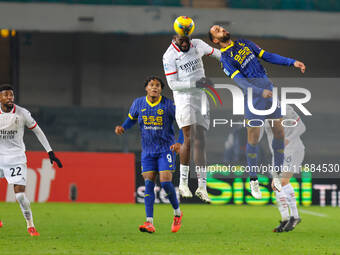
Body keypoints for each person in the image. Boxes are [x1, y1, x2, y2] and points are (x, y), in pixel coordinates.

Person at [208, 25, 306, 199]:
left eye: (221, 27)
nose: (221, 29)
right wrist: (260, 92)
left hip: (268, 91)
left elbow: (267, 56)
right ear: (215, 40)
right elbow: (241, 82)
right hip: (253, 98)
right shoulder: (225, 58)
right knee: (252, 139)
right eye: (217, 30)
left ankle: (276, 175)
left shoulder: (245, 43)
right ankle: (253, 180)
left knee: (279, 133)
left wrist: (292, 62)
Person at [115, 76, 183, 233]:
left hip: (166, 149)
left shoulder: (168, 105)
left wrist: (179, 142)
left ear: (161, 89)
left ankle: (177, 213)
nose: (155, 87)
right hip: (147, 150)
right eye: (152, 85)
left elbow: (182, 123)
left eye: (158, 85)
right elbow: (131, 119)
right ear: (146, 88)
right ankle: (149, 222)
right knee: (148, 184)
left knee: (166, 183)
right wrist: (123, 127)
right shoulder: (138, 103)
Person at [162, 24, 221, 203]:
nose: (185, 43)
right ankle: (183, 183)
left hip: (201, 97)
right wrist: (196, 84)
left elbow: (218, 54)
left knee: (201, 140)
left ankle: (202, 186)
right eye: (181, 41)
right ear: (175, 39)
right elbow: (172, 85)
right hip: (184, 98)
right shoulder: (169, 56)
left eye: (187, 40)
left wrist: (233, 60)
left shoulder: (197, 44)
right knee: (188, 138)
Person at [0, 84, 62, 236]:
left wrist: (50, 151)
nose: (10, 98)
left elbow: (37, 130)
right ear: (0, 98)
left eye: (11, 95)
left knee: (20, 195)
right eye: (6, 95)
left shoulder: (22, 113)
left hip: (16, 158)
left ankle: (30, 225)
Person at [260, 105, 305, 232]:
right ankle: (289, 217)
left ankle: (290, 217)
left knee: (281, 182)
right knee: (276, 185)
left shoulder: (285, 109)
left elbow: (302, 127)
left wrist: (289, 139)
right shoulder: (261, 112)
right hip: (278, 153)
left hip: (293, 149)